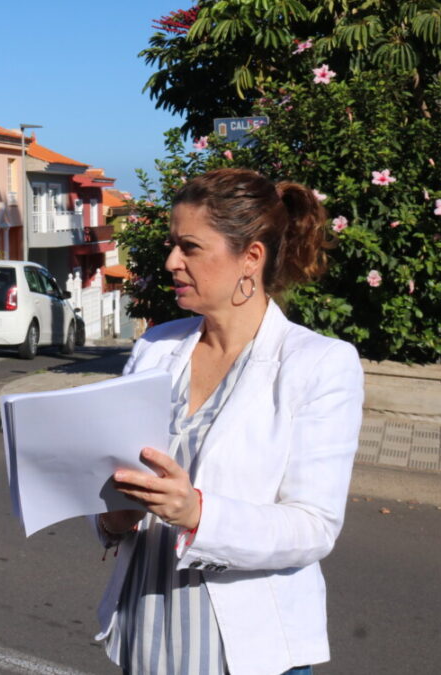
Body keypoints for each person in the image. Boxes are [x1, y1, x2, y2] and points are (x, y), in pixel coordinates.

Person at [95, 168, 363, 675]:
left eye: (190, 247)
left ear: (251, 258)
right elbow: (117, 481)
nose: (172, 261)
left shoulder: (318, 364)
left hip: (242, 651)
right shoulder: (156, 346)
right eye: (173, 245)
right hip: (143, 631)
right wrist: (112, 517)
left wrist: (196, 512)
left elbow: (314, 527)